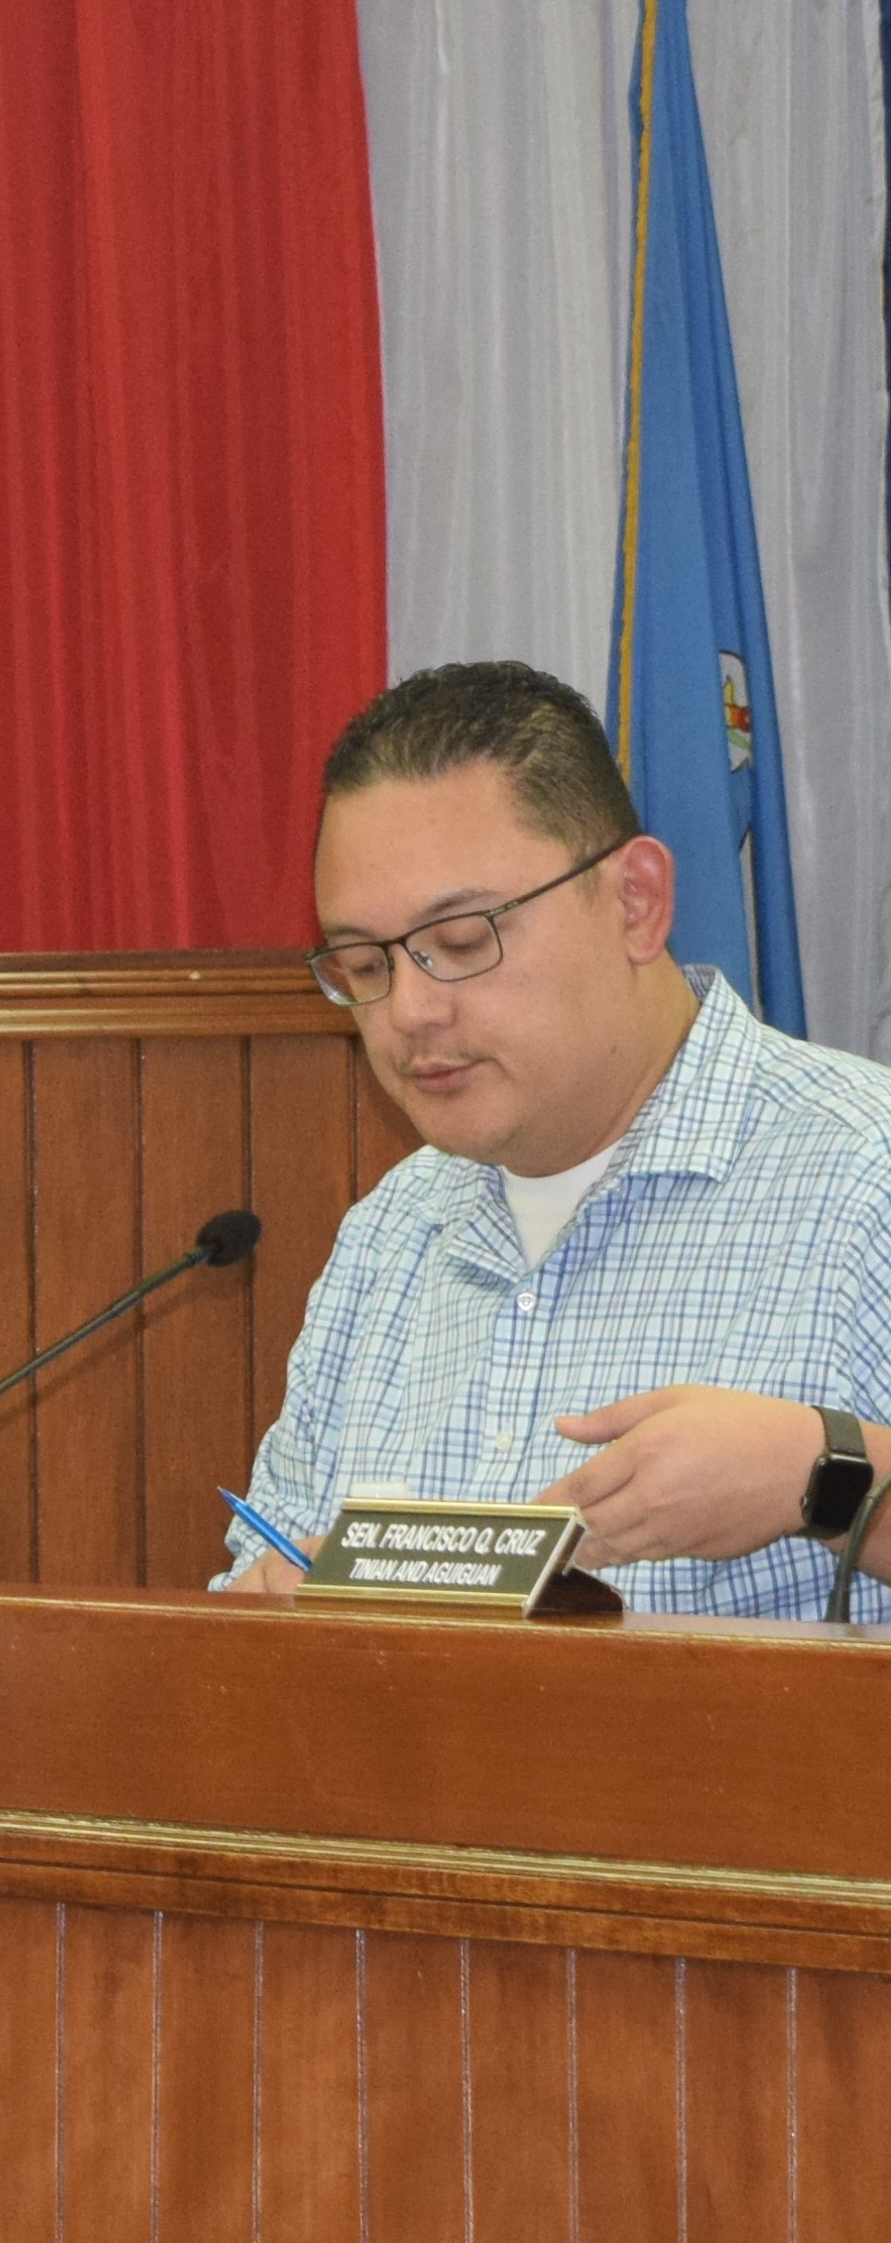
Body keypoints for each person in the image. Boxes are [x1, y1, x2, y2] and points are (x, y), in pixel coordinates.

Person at [222, 660, 891, 1615]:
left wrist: (829, 1478)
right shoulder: (391, 1235)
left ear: (636, 904)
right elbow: (253, 1587)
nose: (409, 1011)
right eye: (365, 964)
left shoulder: (868, 1173)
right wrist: (270, 1604)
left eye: (462, 942)